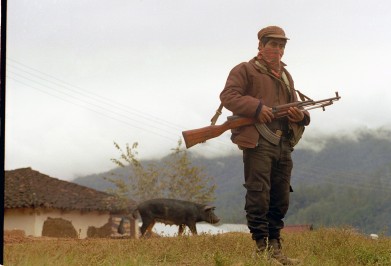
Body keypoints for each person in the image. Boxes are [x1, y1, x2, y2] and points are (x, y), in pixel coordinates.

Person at [219, 26, 310, 265]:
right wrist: (257, 108)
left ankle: (275, 249)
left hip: (283, 143)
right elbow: (228, 96)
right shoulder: (245, 70)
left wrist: (300, 116)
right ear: (261, 45)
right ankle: (261, 249)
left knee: (280, 197)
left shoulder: (286, 76)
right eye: (273, 45)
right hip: (258, 142)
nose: (278, 50)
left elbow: (297, 106)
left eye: (281, 46)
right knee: (258, 194)